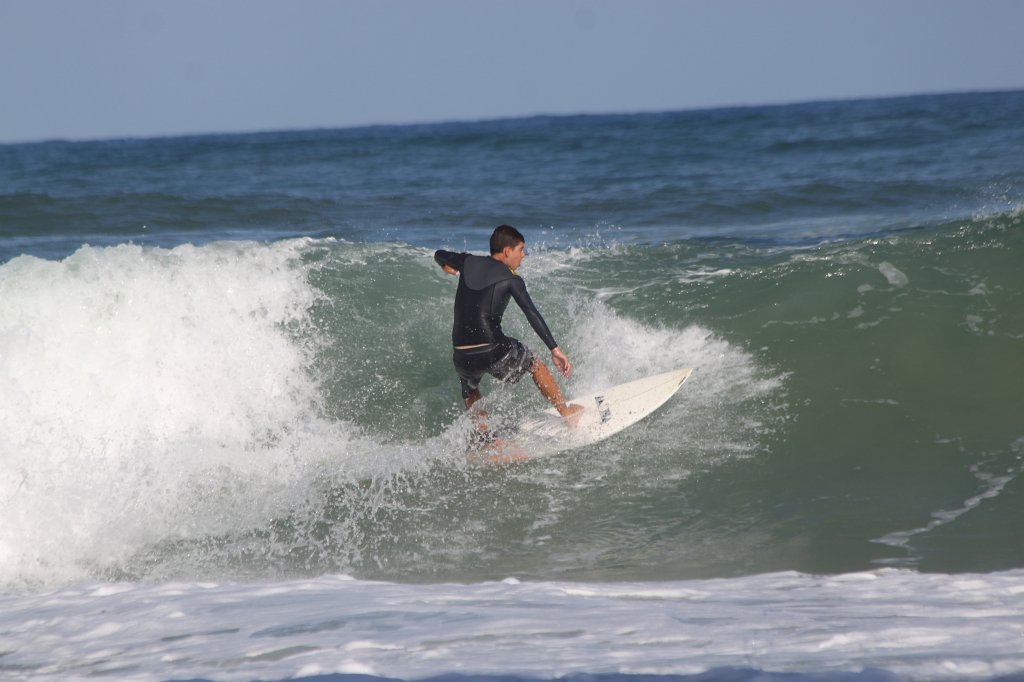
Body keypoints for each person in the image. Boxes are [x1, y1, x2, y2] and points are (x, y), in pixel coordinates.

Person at [435, 225, 584, 443]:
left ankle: (487, 440)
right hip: (492, 349)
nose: (523, 256)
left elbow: (439, 254)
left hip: (461, 353)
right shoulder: (512, 279)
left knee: (470, 389)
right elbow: (531, 312)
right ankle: (567, 412)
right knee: (534, 363)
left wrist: (450, 268)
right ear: (507, 251)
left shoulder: (468, 262)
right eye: (521, 250)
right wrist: (555, 349)